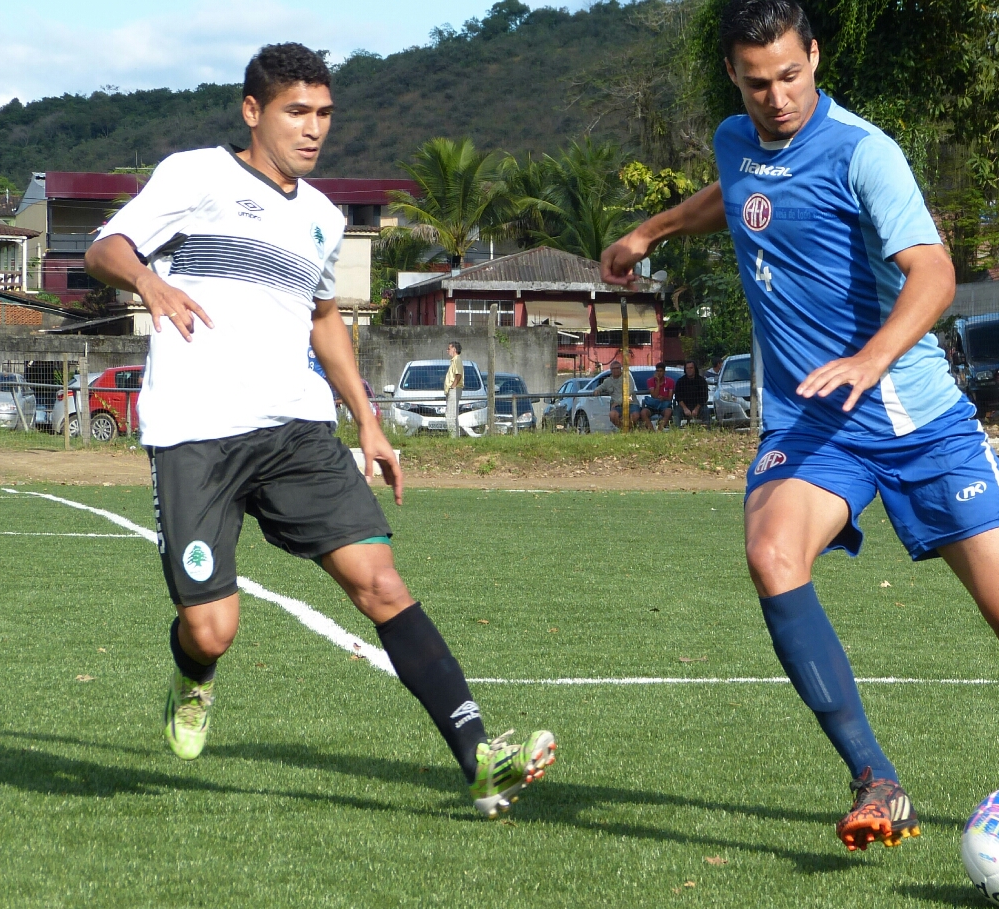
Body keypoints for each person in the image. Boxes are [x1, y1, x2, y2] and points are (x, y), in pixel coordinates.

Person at [601, 0, 999, 853]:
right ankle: (874, 780)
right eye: (754, 83)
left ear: (813, 56)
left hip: (919, 420)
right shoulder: (737, 141)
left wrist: (871, 357)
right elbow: (730, 195)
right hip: (815, 426)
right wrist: (649, 230)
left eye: (789, 75)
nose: (775, 97)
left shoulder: (864, 152)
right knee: (771, 556)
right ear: (734, 80)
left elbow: (933, 273)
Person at [82, 43, 555, 819]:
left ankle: (478, 758)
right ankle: (190, 680)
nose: (313, 129)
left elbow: (324, 317)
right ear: (252, 112)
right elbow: (106, 245)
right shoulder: (196, 175)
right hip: (196, 431)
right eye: (296, 112)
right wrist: (148, 279)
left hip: (296, 428)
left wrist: (367, 420)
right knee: (212, 630)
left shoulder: (323, 217)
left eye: (324, 114)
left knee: (381, 584)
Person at [598, 362, 637, 429]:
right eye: (613, 368)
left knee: (635, 416)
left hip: (631, 402)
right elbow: (601, 387)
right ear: (611, 370)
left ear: (620, 369)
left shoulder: (627, 377)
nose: (616, 370)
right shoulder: (607, 381)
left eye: (617, 368)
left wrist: (618, 402)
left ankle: (628, 431)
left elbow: (629, 391)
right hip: (617, 406)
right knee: (613, 415)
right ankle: (624, 430)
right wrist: (597, 390)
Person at [641, 363, 677, 430]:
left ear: (664, 372)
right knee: (643, 412)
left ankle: (660, 428)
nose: (659, 373)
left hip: (664, 405)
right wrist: (657, 383)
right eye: (657, 371)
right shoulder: (650, 381)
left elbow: (670, 398)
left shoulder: (670, 381)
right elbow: (654, 396)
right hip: (653, 405)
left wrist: (664, 398)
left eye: (661, 371)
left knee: (668, 411)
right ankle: (651, 429)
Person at [674, 360, 710, 426]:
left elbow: (704, 397)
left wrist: (696, 409)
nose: (689, 370)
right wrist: (685, 409)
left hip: (699, 406)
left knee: (706, 410)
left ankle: (707, 429)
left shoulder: (701, 381)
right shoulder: (680, 381)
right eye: (687, 368)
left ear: (695, 369)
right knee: (677, 411)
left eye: (691, 368)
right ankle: (676, 430)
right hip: (684, 406)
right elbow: (678, 397)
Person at [444, 341, 464, 436]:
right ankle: (455, 436)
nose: (447, 350)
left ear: (454, 349)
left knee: (450, 415)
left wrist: (453, 386)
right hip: (452, 390)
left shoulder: (457, 360)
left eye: (449, 348)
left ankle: (453, 436)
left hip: (454, 390)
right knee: (452, 414)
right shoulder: (454, 360)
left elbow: (458, 374)